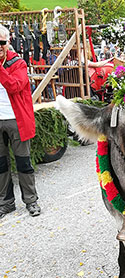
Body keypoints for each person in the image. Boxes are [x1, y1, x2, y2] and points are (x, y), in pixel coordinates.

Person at [0, 25, 41, 218]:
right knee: (0, 165)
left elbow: (15, 86)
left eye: (2, 42)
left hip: (16, 120)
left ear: (8, 42)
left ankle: (31, 201)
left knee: (23, 163)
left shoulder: (18, 63)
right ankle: (6, 203)